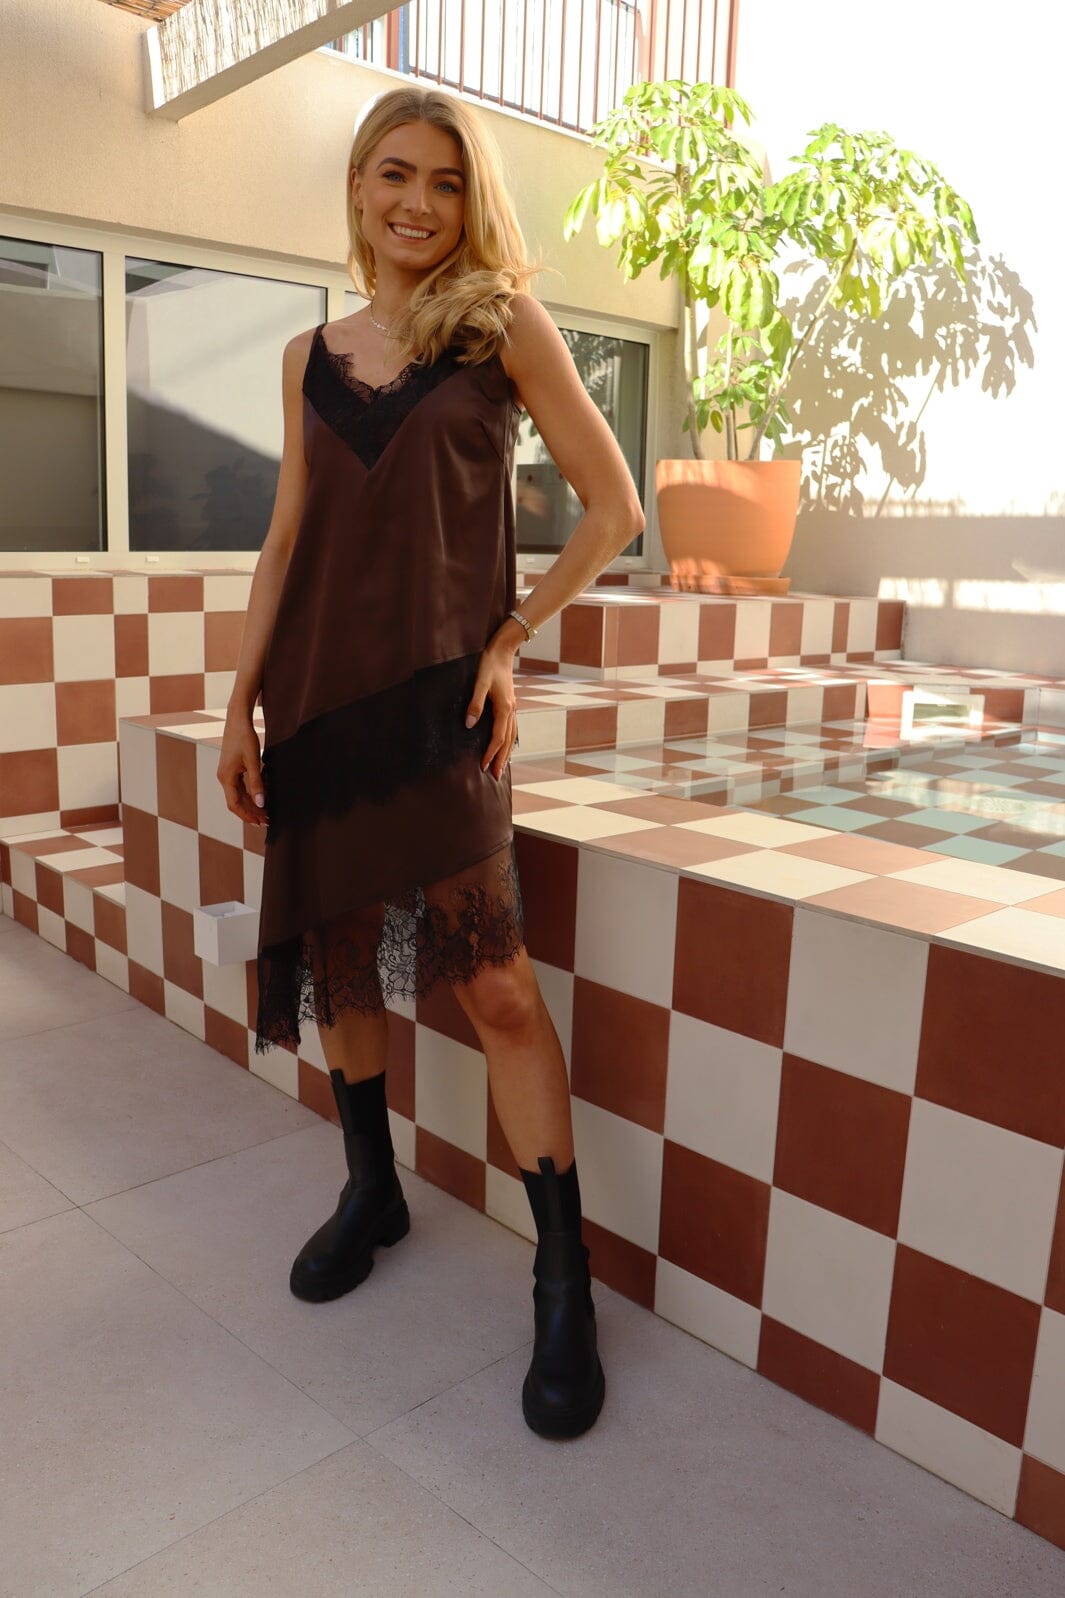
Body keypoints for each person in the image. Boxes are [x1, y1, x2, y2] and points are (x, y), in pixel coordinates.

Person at [216, 84, 645, 1441]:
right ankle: (372, 1186)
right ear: (357, 188)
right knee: (340, 955)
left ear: (471, 204)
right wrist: (238, 703)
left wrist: (511, 639)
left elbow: (615, 507)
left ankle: (563, 1275)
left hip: (443, 709)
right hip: (316, 706)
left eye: (446, 182)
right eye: (394, 174)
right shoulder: (307, 355)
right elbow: (286, 540)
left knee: (498, 989)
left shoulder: (499, 326)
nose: (417, 201)